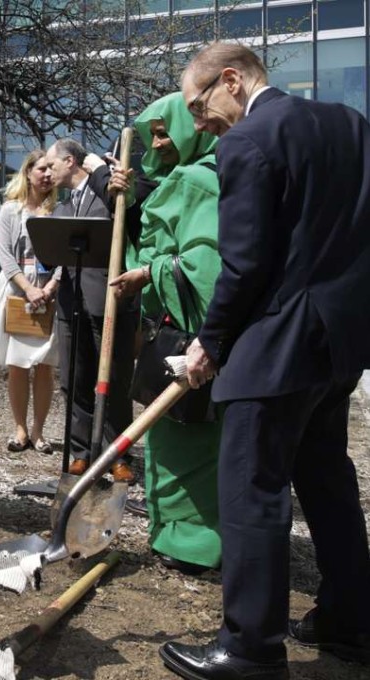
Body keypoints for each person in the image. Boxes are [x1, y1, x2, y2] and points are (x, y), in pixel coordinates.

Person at [160, 42, 370, 680]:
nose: (199, 122)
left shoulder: (247, 143)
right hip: (341, 343)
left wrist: (210, 341)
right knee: (326, 477)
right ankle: (352, 620)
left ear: (232, 80)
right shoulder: (352, 127)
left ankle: (249, 649)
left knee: (252, 487)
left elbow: (245, 262)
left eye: (199, 105)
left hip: (278, 346)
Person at [108, 93, 222, 576]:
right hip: (181, 334)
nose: (157, 141)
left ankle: (194, 545)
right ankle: (174, 533)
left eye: (164, 130)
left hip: (193, 339)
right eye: (152, 132)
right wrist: (131, 202)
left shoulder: (200, 181)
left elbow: (205, 267)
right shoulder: (192, 177)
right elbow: (160, 236)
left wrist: (147, 275)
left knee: (189, 444)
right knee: (173, 441)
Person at [43, 139, 138, 483]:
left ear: (70, 161)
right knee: (74, 379)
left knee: (113, 378)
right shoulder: (64, 207)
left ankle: (117, 455)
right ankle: (82, 452)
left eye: (52, 165)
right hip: (72, 304)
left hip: (109, 301)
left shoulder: (108, 195)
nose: (47, 172)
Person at [0, 150, 59, 455]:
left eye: (51, 168)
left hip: (50, 292)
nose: (47, 174)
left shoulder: (59, 209)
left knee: (45, 365)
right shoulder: (10, 210)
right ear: (28, 172)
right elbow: (5, 256)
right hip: (17, 290)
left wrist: (51, 286)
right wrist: (28, 288)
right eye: (41, 169)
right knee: (18, 364)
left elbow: (67, 254)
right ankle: (20, 429)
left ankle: (39, 431)